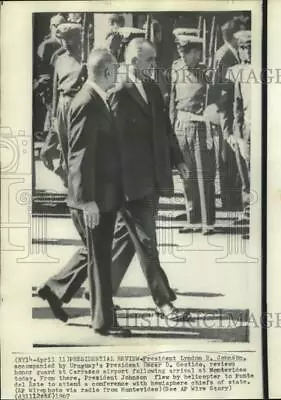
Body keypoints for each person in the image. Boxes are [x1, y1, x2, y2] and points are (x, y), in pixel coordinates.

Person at [38, 38, 191, 324]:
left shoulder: (153, 88)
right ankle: (164, 302)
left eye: (155, 59)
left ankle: (62, 289)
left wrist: (178, 159)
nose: (154, 65)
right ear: (133, 61)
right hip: (126, 182)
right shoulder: (117, 90)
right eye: (149, 60)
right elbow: (107, 142)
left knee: (111, 244)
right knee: (146, 243)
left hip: (146, 179)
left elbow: (165, 128)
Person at [40, 48, 130, 337]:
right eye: (115, 69)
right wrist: (87, 201)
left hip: (101, 195)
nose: (118, 73)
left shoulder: (95, 99)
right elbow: (80, 155)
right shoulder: (88, 102)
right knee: (101, 257)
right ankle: (103, 322)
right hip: (94, 198)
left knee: (96, 253)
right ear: (106, 72)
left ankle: (55, 289)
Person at [169, 35, 217, 235]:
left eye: (185, 53)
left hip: (200, 127)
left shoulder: (206, 72)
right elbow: (172, 98)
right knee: (187, 176)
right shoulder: (176, 68)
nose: (182, 57)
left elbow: (214, 103)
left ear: (196, 53)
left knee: (204, 175)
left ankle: (208, 221)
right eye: (180, 53)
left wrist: (211, 130)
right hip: (181, 126)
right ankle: (193, 219)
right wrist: (171, 127)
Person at [213, 18, 247, 211]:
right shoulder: (224, 55)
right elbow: (219, 87)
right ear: (234, 36)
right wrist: (223, 119)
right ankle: (229, 200)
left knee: (233, 159)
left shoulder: (231, 53)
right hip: (226, 112)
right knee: (227, 158)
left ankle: (234, 198)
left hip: (233, 110)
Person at [48, 22, 87, 185]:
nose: (66, 42)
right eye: (62, 39)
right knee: (64, 146)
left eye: (69, 38)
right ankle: (69, 181)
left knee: (78, 146)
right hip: (63, 104)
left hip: (79, 104)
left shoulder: (85, 59)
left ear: (78, 39)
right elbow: (55, 89)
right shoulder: (59, 60)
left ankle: (79, 183)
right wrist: (53, 116)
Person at [227, 30, 252, 237]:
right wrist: (237, 134)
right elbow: (237, 105)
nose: (248, 52)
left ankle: (259, 219)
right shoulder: (240, 72)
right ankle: (249, 215)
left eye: (251, 47)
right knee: (246, 177)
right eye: (244, 48)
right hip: (245, 132)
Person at [35, 14, 65, 149]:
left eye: (63, 25)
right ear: (51, 27)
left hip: (60, 84)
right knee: (54, 113)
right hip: (49, 86)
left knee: (56, 115)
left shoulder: (64, 43)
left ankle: (52, 142)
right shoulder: (47, 45)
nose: (60, 29)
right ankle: (51, 146)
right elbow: (42, 68)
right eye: (57, 25)